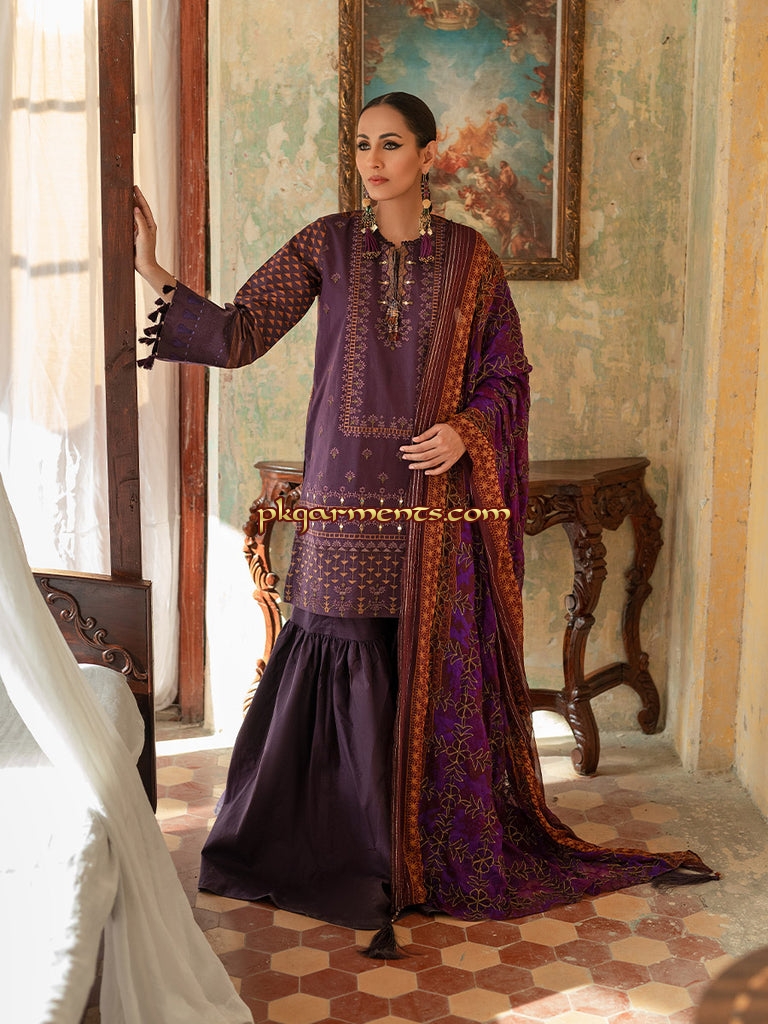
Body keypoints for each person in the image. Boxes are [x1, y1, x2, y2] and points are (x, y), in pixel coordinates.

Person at [134, 92, 716, 957]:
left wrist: (467, 432)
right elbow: (240, 334)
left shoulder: (472, 262)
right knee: (337, 645)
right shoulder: (327, 244)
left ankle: (409, 859)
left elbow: (509, 373)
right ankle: (328, 855)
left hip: (433, 502)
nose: (373, 161)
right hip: (342, 489)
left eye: (391, 144)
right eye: (362, 145)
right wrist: (152, 269)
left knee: (416, 654)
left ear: (428, 156)